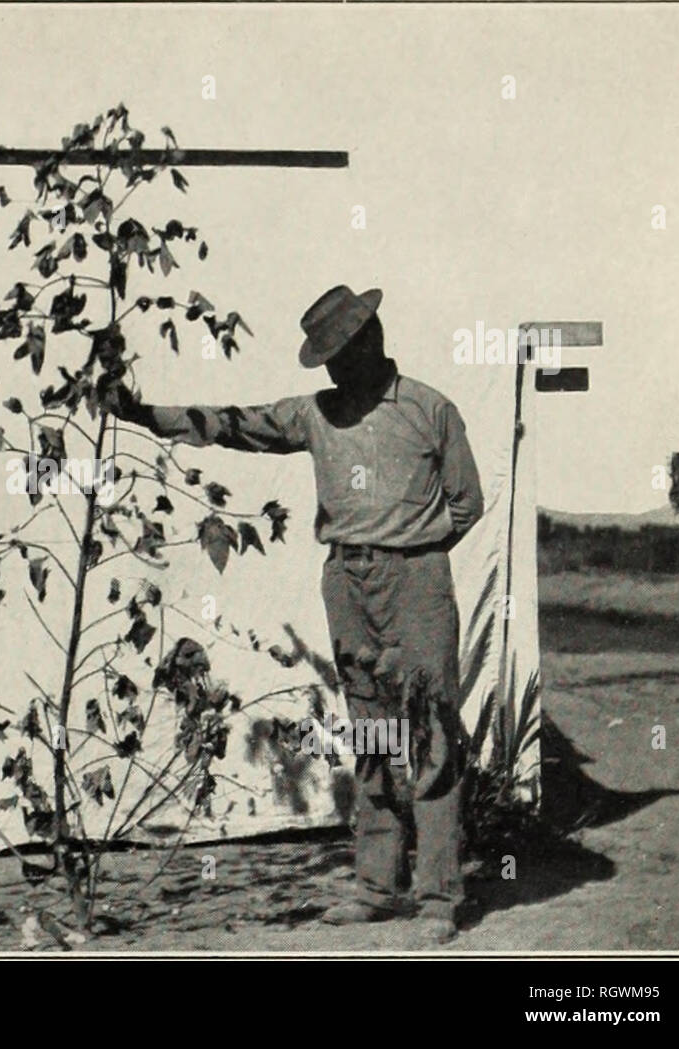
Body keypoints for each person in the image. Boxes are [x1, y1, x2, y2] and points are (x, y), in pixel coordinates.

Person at [105, 285, 484, 943]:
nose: (333, 369)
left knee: (427, 731)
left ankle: (438, 898)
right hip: (346, 581)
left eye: (339, 352)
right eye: (325, 358)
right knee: (370, 732)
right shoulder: (315, 414)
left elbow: (465, 503)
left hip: (417, 582)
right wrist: (142, 414)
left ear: (372, 338)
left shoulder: (431, 410)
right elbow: (233, 424)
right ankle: (377, 886)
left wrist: (408, 549)